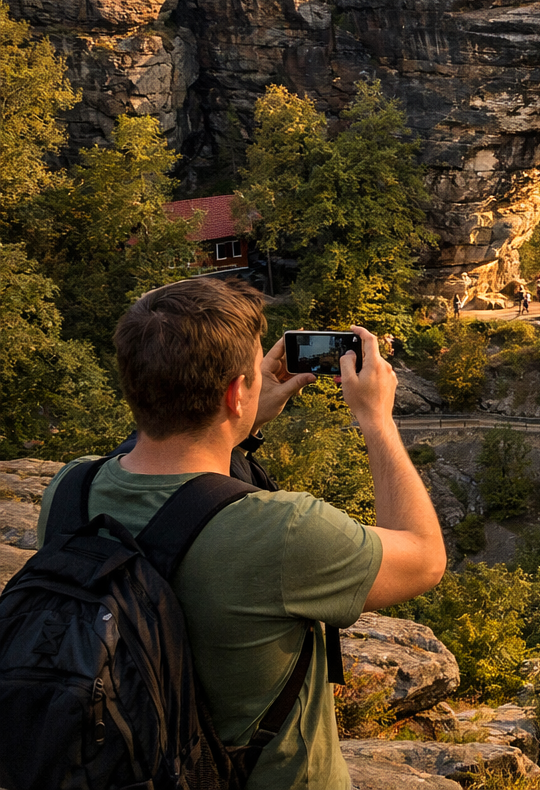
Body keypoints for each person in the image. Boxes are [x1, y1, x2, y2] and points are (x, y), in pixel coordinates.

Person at [34, 278, 446, 790]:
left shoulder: (69, 491)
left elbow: (167, 472)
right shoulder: (283, 530)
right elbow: (424, 557)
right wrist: (376, 420)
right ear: (235, 392)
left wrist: (238, 423)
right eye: (252, 371)